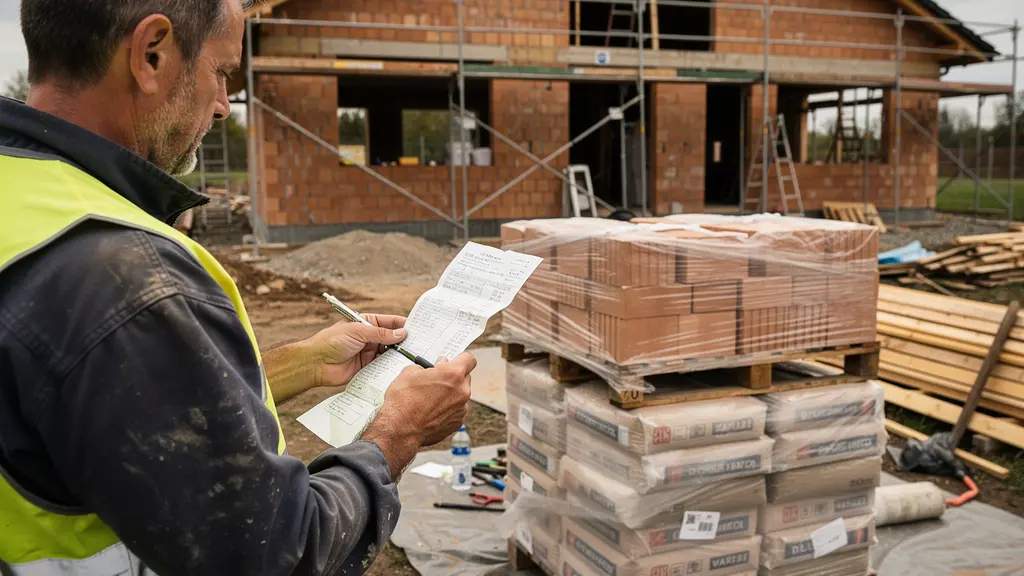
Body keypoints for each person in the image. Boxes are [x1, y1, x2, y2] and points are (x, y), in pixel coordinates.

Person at [0, 0, 475, 574]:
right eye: (221, 73)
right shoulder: (127, 277)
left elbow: (122, 405)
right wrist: (400, 430)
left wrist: (308, 362)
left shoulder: (21, 199)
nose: (226, 106)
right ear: (152, 54)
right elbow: (277, 552)